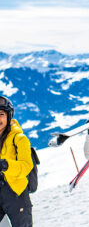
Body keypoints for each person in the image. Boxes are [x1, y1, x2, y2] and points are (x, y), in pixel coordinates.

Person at [0, 96, 33, 227]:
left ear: (9, 116)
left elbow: (26, 166)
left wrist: (6, 165)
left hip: (16, 195)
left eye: (1, 114)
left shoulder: (19, 139)